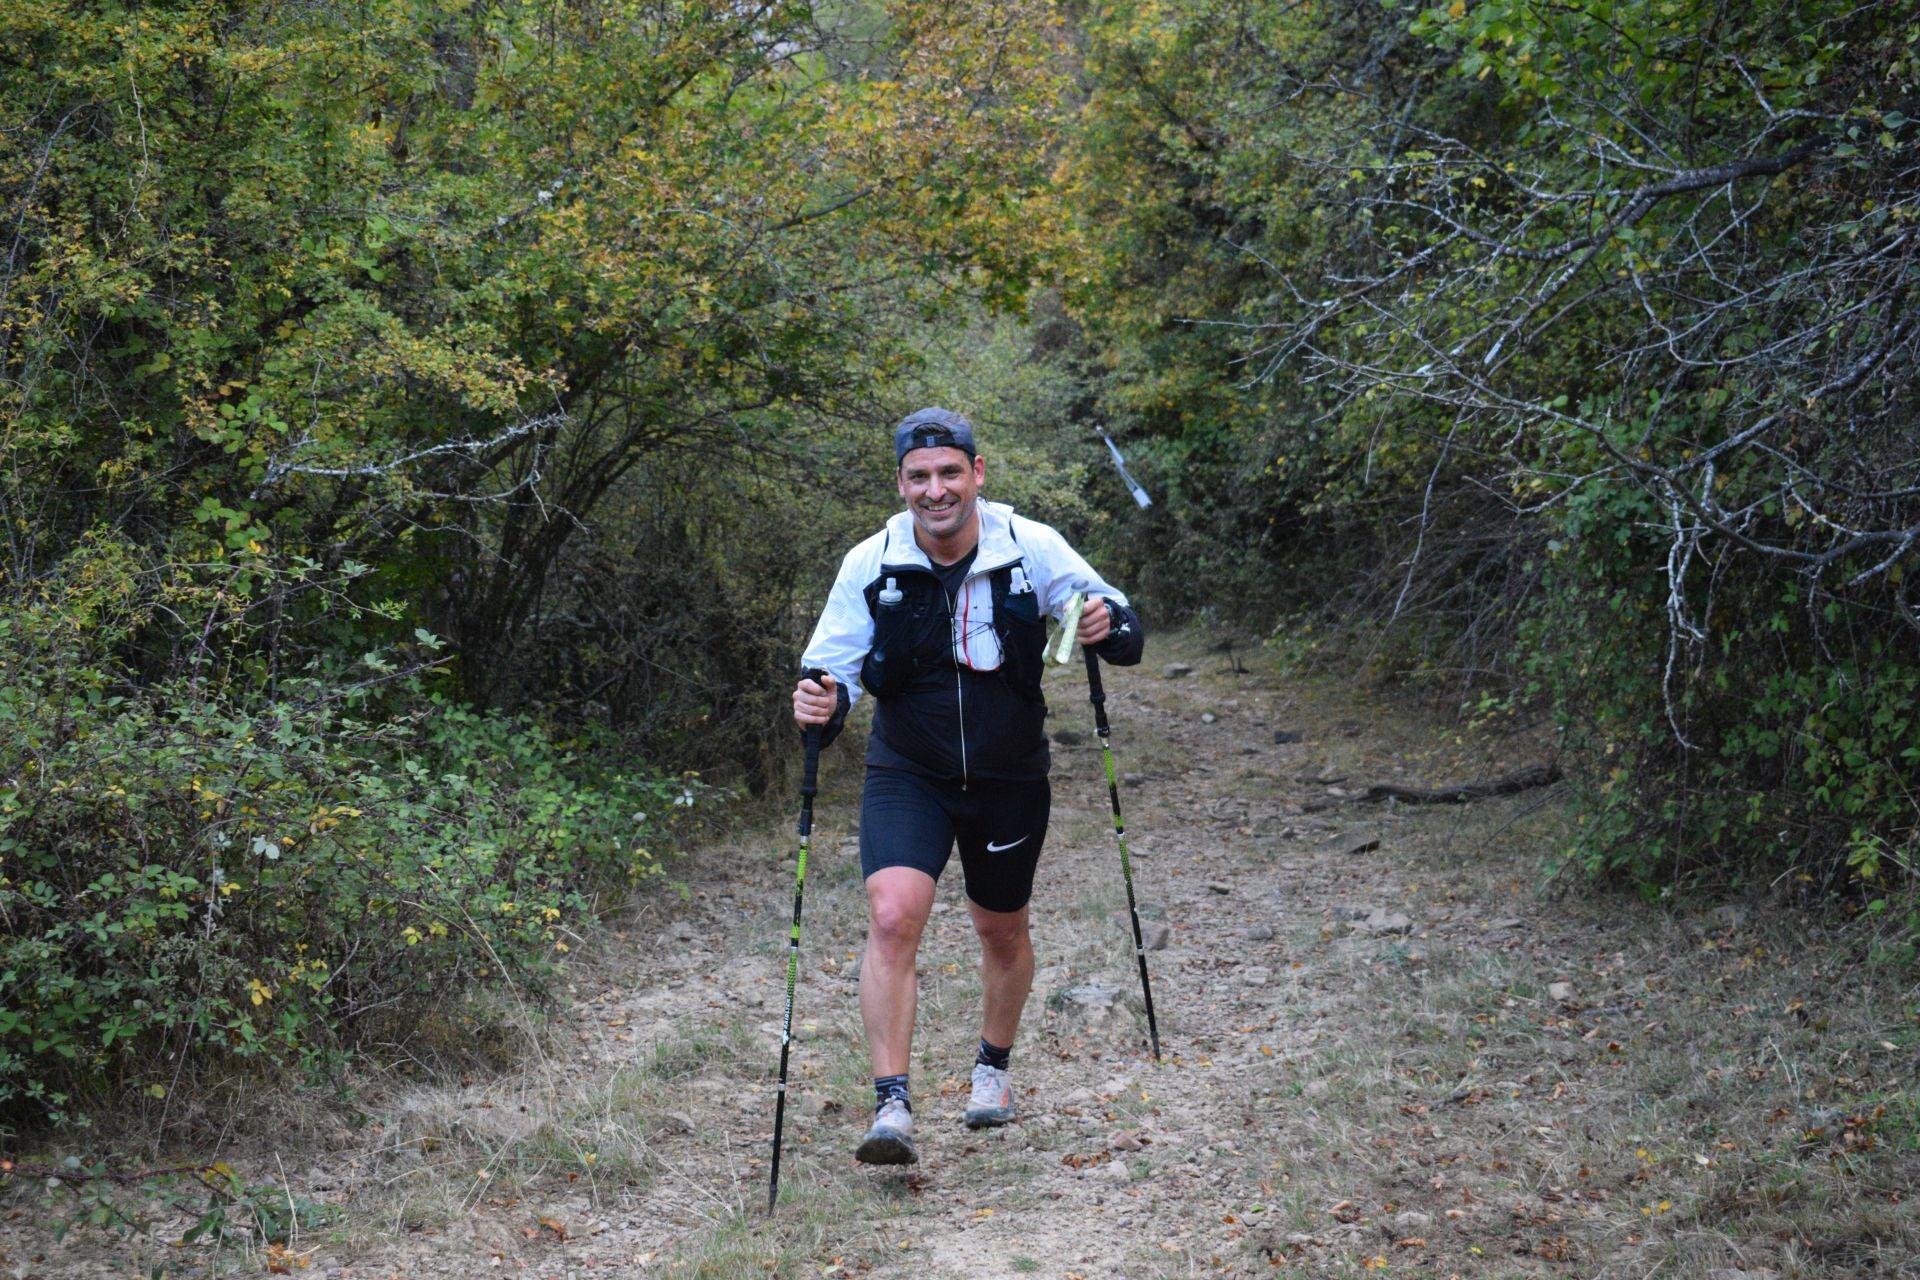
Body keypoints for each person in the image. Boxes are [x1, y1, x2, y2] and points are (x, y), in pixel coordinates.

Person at [792, 407, 1145, 1166]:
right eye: (919, 476)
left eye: (950, 472)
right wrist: (821, 701)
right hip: (907, 770)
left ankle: (992, 1070)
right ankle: (892, 1106)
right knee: (892, 916)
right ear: (900, 484)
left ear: (977, 474)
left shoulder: (1028, 545)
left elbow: (1117, 623)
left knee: (1001, 930)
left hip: (1007, 773)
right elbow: (831, 668)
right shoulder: (873, 560)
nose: (936, 490)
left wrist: (1104, 624)